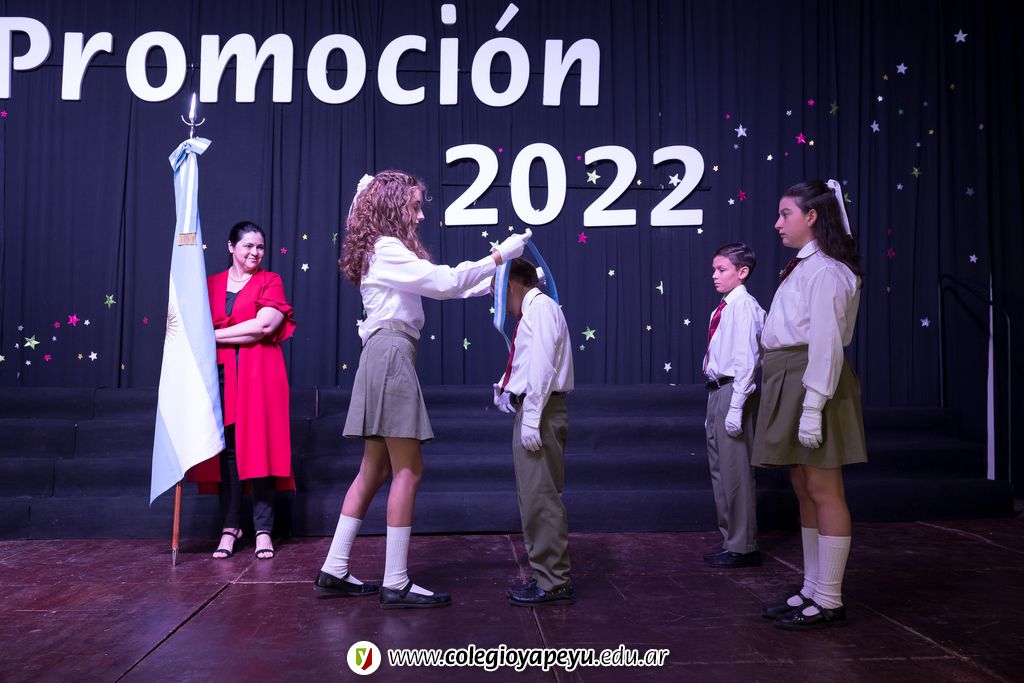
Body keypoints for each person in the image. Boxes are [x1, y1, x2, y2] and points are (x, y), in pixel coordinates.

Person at [314, 170, 531, 609]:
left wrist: (485, 283)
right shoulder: (387, 248)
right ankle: (395, 581)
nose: (419, 215)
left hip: (382, 355)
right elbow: (443, 282)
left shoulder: (380, 250)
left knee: (374, 470)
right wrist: (498, 256)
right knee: (409, 469)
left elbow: (442, 288)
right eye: (413, 206)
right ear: (392, 206)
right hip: (391, 355)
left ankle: (334, 568)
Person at [754, 180, 867, 630]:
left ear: (813, 216)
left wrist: (813, 405)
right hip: (789, 375)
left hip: (812, 379)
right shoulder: (805, 266)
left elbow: (826, 342)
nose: (778, 223)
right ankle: (812, 589)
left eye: (786, 213)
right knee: (803, 488)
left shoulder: (827, 271)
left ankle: (830, 599)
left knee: (824, 489)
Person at [188, 221, 296, 560]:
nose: (255, 252)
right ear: (231, 247)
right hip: (221, 376)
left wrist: (209, 335)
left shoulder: (270, 281)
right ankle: (230, 527)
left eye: (260, 247)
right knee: (228, 451)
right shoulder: (211, 285)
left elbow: (263, 326)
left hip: (259, 375)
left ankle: (263, 530)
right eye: (248, 245)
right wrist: (209, 334)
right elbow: (189, 327)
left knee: (260, 446)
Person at [493, 257, 575, 606]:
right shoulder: (535, 311)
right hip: (535, 408)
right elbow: (530, 362)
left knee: (541, 497)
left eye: (497, 294)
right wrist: (508, 387)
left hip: (541, 411)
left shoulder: (540, 309)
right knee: (533, 497)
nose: (498, 303)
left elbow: (543, 366)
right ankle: (546, 574)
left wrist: (531, 416)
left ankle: (554, 581)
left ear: (511, 286)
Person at [702, 243, 766, 569]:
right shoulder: (725, 307)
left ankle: (743, 546)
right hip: (718, 391)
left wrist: (737, 406)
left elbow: (747, 360)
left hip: (734, 390)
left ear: (742, 272)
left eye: (721, 269)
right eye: (714, 269)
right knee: (721, 471)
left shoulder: (744, 307)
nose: (715, 275)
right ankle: (731, 541)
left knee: (735, 470)